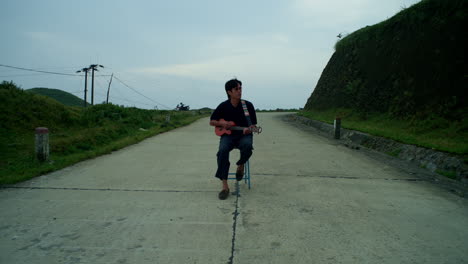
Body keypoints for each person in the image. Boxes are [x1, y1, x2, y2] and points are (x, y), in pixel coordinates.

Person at [210, 78, 258, 200]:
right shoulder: (223, 106)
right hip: (228, 136)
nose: (239, 91)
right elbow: (212, 121)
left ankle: (240, 164)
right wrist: (223, 124)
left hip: (244, 135)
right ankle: (225, 186)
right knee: (222, 151)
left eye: (240, 88)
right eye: (236, 89)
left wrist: (250, 128)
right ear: (229, 92)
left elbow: (253, 125)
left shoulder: (248, 105)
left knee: (247, 146)